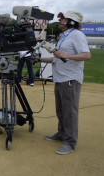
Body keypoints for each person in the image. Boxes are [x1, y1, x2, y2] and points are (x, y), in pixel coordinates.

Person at [39, 11, 91, 155]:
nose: (60, 20)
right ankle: (61, 134)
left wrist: (66, 55)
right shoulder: (63, 36)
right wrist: (38, 60)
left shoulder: (78, 35)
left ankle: (70, 142)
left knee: (70, 113)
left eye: (63, 18)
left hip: (70, 80)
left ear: (72, 22)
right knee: (61, 111)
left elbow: (87, 55)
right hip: (60, 78)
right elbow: (57, 58)